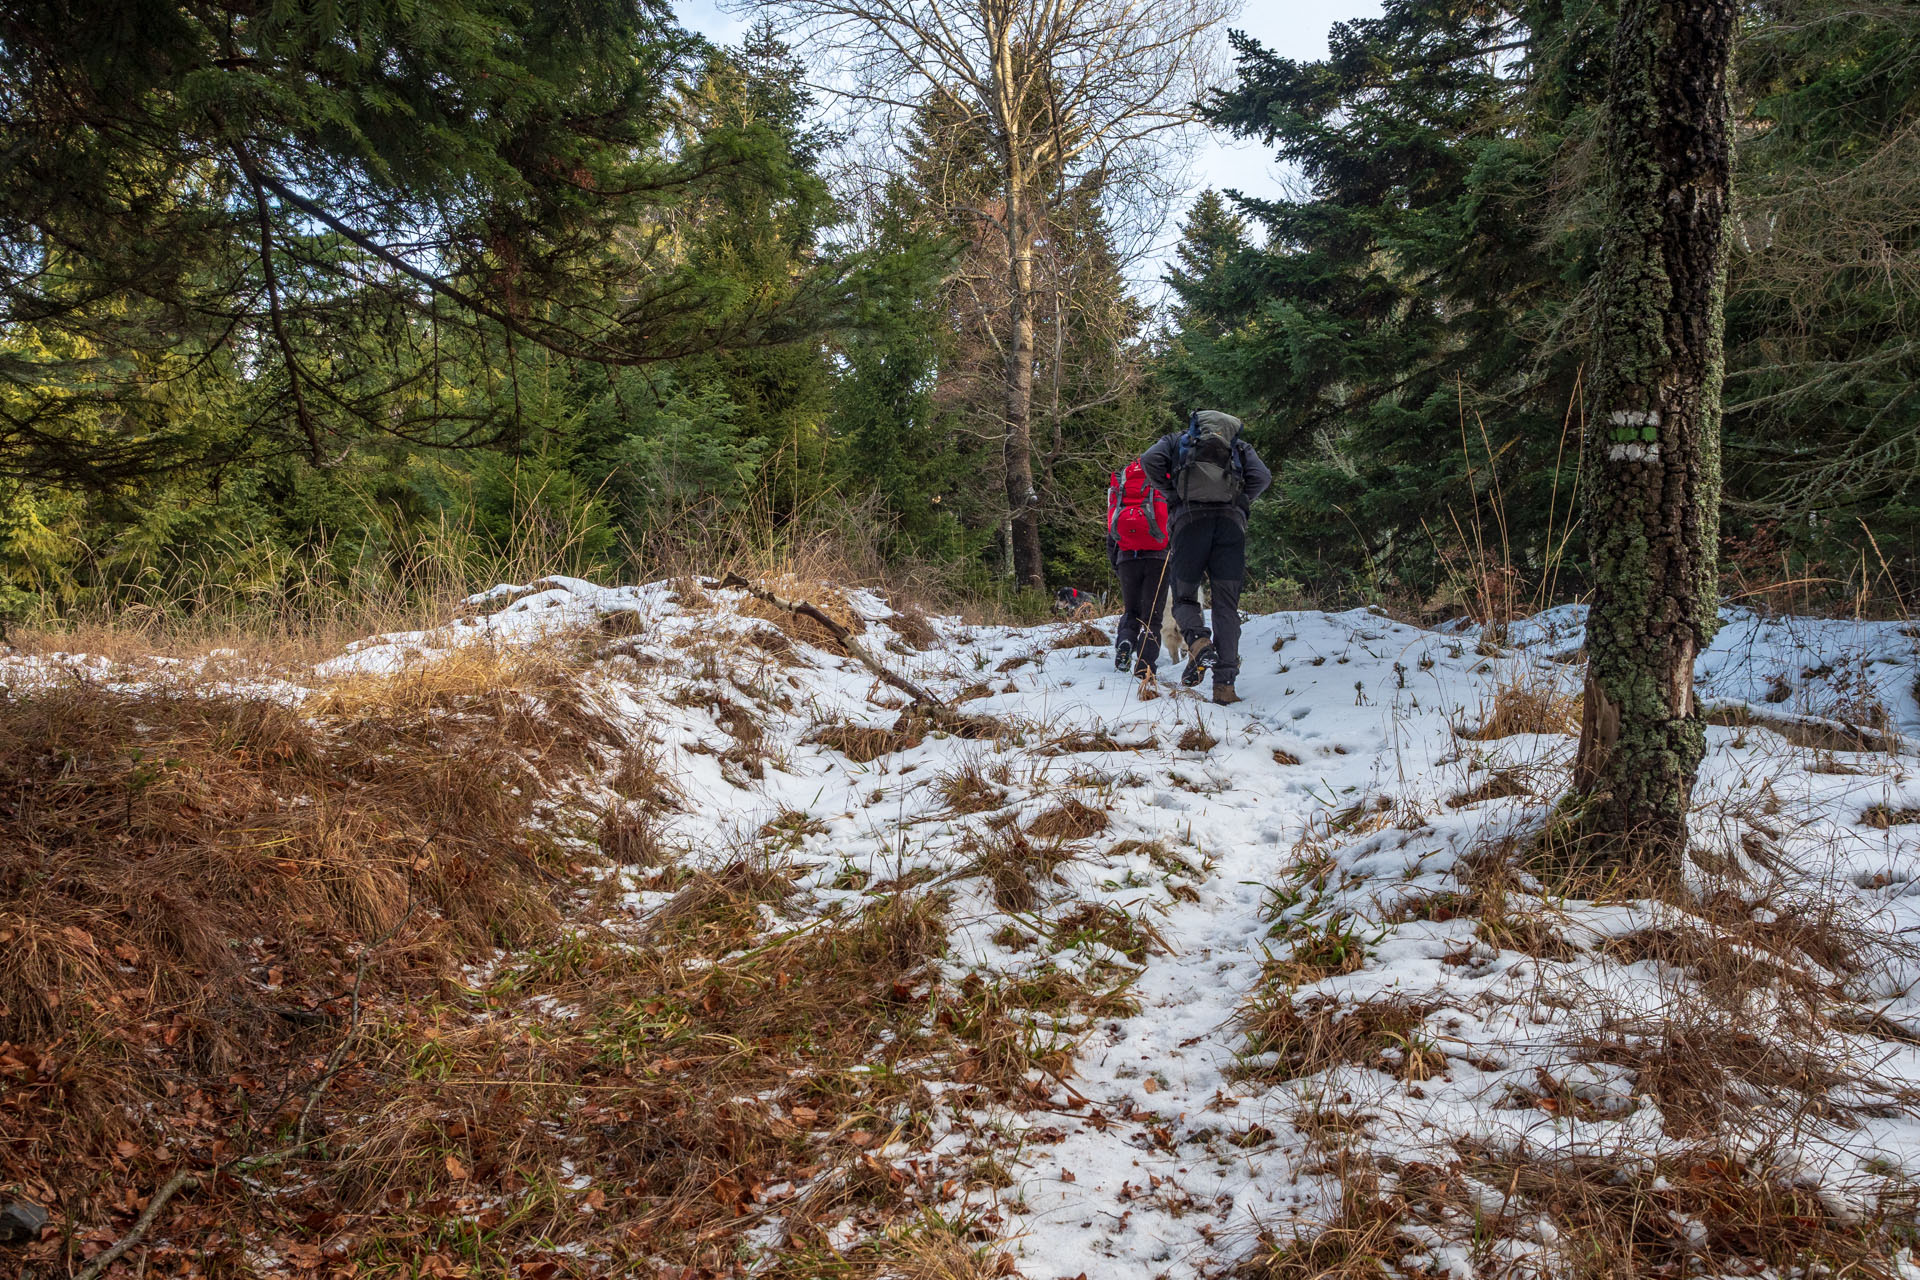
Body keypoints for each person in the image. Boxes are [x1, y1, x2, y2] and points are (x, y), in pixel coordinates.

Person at [1140, 410, 1272, 704]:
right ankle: (1224, 686)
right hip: (1230, 527)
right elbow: (1263, 477)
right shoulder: (1238, 447)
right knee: (1227, 606)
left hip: (1189, 524)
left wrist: (1173, 493)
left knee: (1184, 597)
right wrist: (1239, 501)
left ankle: (1199, 642)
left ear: (1195, 424)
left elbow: (1148, 460)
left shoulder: (1177, 441)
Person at [1105, 458, 1173, 676]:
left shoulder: (1123, 489)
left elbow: (1111, 533)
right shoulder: (1163, 484)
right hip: (1158, 559)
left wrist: (1117, 563)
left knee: (1131, 611)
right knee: (1152, 616)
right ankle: (1145, 666)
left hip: (1127, 557)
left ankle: (1125, 641)